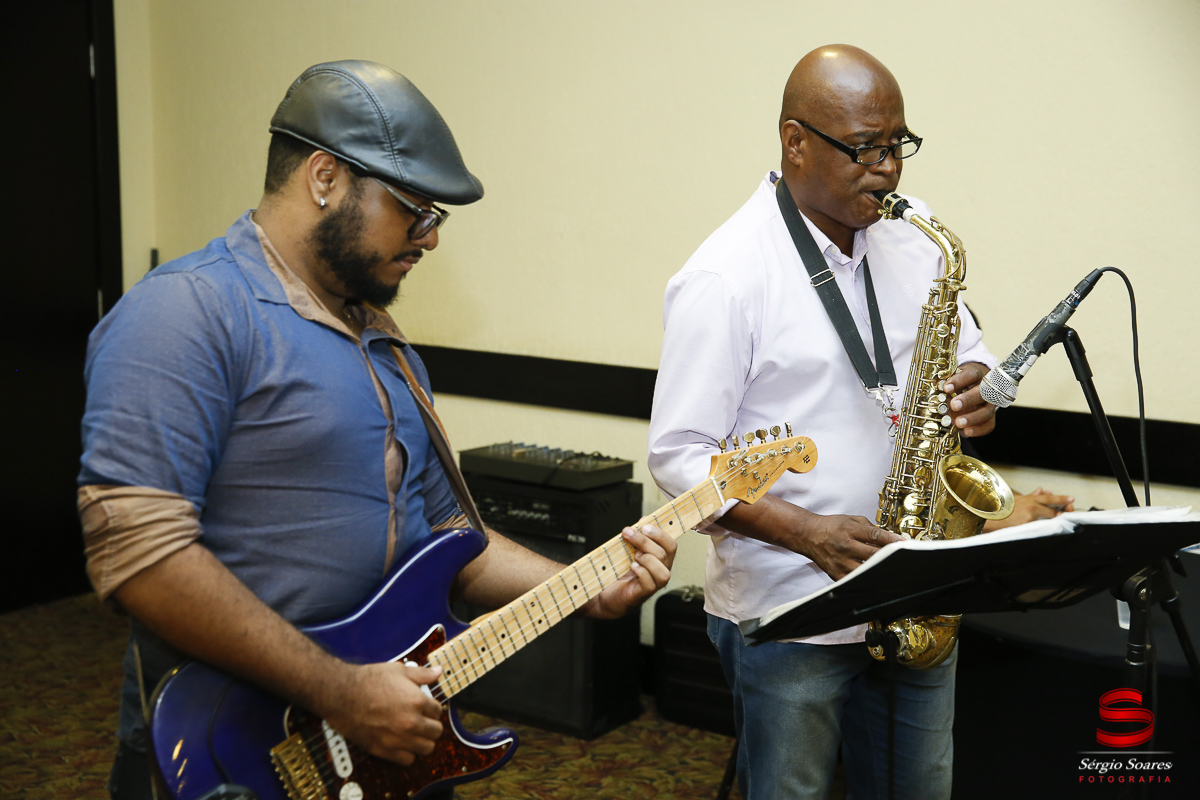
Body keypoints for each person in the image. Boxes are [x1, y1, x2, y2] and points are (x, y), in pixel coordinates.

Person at [78, 60, 675, 800]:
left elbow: (449, 542)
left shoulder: (385, 347)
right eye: (413, 211)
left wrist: (586, 586)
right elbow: (141, 556)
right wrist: (340, 692)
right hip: (231, 750)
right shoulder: (184, 314)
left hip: (381, 743)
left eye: (436, 218)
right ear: (325, 177)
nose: (428, 239)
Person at [648, 45, 999, 799]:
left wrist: (980, 390)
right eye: (864, 149)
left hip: (914, 588)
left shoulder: (917, 235)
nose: (887, 170)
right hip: (791, 606)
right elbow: (678, 458)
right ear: (795, 141)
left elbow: (972, 355)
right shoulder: (725, 276)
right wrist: (809, 533)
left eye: (897, 145)